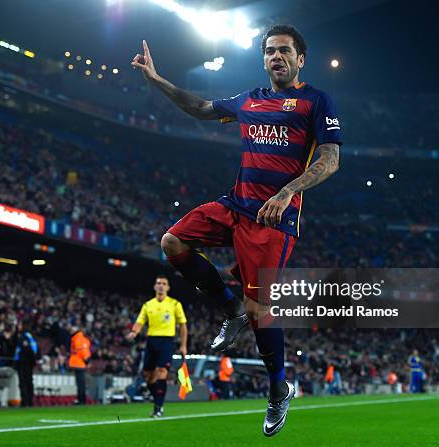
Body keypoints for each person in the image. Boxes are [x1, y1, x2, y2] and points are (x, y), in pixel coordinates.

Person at [131, 24, 342, 436]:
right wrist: (157, 81)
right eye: (269, 52)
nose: (276, 57)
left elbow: (331, 159)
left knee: (259, 311)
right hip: (235, 205)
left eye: (284, 51)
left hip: (273, 219)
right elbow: (200, 107)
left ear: (300, 59)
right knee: (172, 242)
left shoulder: (316, 101)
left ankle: (279, 390)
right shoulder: (249, 100)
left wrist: (288, 191)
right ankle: (227, 307)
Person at [126, 275, 188, 418]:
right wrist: (134, 332)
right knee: (149, 377)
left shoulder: (175, 304)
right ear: (154, 287)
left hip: (167, 341)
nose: (161, 285)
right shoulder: (148, 305)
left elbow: (183, 326)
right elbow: (140, 321)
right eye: (158, 283)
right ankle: (158, 401)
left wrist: (183, 345)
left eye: (164, 283)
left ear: (168, 287)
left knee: (162, 372)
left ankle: (158, 407)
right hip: (151, 341)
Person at [14, 321, 39, 407]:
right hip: (29, 363)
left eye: (20, 324)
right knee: (29, 382)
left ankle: (25, 401)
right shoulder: (30, 336)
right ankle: (29, 401)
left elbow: (24, 349)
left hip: (24, 363)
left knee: (24, 382)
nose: (18, 326)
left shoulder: (24, 337)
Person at [68, 325, 91, 405]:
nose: (71, 329)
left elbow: (83, 351)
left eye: (73, 328)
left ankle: (81, 400)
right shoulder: (77, 338)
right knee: (80, 383)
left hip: (79, 363)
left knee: (81, 383)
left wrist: (86, 361)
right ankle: (81, 399)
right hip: (79, 363)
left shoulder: (78, 339)